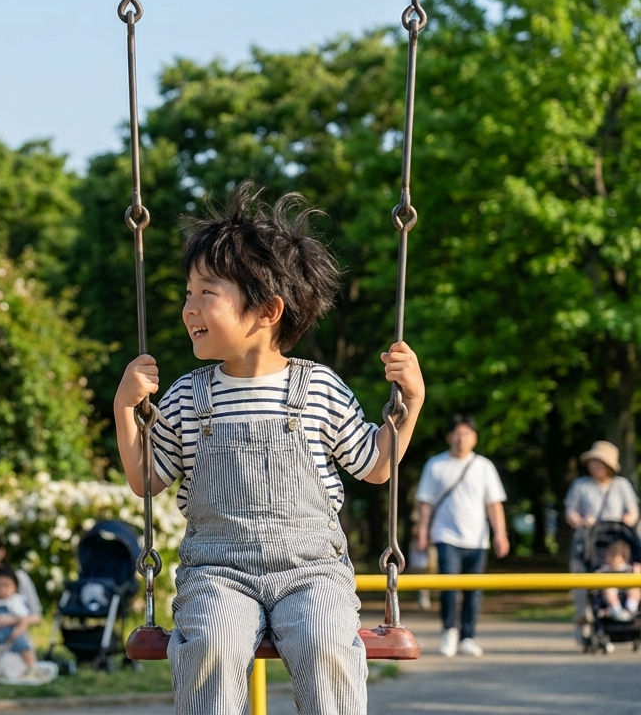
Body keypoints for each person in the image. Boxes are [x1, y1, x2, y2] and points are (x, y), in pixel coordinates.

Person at [115, 183, 424, 714]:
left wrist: (410, 404)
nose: (189, 308)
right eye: (187, 294)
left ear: (267, 310)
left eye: (206, 293)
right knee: (210, 644)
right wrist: (125, 410)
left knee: (328, 643)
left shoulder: (320, 388)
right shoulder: (189, 395)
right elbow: (147, 479)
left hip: (310, 569)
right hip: (217, 570)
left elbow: (374, 466)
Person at [414, 415, 509, 658]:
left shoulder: (484, 467)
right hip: (446, 536)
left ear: (474, 438)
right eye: (457, 433)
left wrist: (500, 534)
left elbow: (494, 504)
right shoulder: (435, 465)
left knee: (473, 590)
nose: (461, 438)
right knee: (449, 587)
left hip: (477, 539)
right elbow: (426, 503)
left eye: (466, 433)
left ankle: (468, 636)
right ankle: (449, 632)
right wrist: (423, 532)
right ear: (448, 436)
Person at [563, 440, 639, 641]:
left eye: (600, 462)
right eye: (593, 462)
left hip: (617, 544)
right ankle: (584, 627)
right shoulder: (581, 485)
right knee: (582, 590)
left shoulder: (621, 485)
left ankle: (626, 615)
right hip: (588, 543)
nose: (595, 466)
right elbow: (570, 512)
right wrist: (581, 521)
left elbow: (633, 511)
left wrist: (627, 520)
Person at [596, 540, 641, 622]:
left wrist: (637, 573)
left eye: (611, 556)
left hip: (627, 594)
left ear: (620, 557)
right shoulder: (605, 570)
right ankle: (618, 612)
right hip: (612, 598)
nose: (608, 558)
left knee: (635, 588)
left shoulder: (631, 569)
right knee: (610, 589)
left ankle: (631, 610)